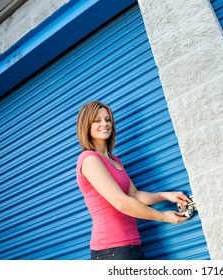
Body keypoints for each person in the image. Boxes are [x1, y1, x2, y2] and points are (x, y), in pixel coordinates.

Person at [76, 100, 191, 260]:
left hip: (130, 245)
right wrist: (163, 217)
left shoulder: (114, 159)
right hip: (111, 249)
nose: (105, 124)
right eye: (97, 120)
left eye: (108, 119)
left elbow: (135, 195)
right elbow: (121, 202)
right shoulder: (89, 159)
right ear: (86, 126)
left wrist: (166, 195)